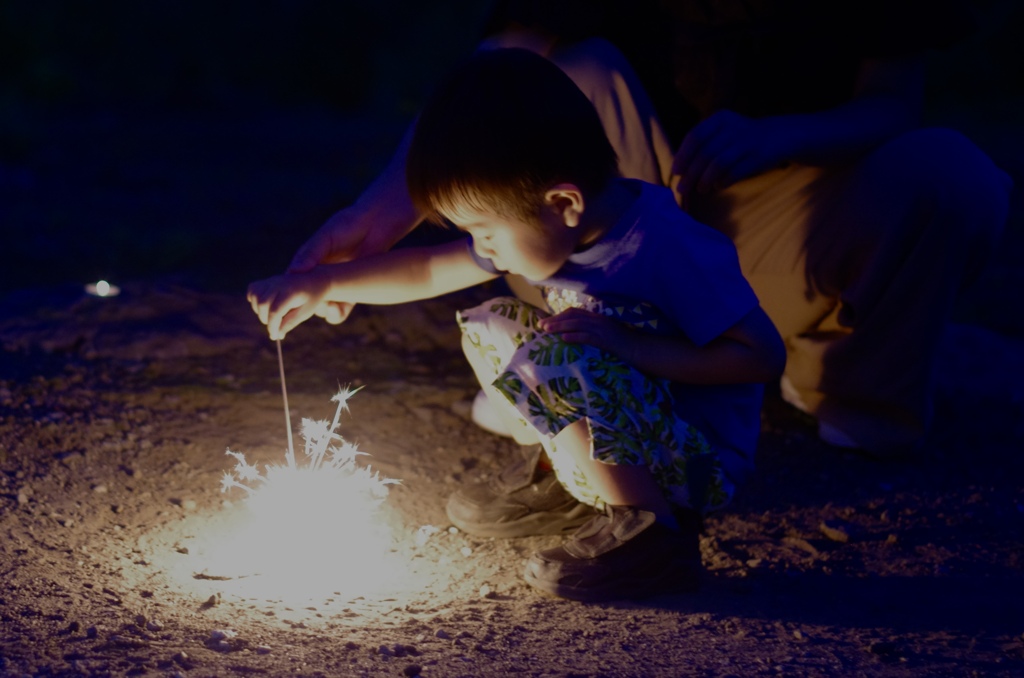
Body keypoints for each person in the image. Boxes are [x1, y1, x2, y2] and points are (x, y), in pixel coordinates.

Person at [290, 0, 1011, 458]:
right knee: (577, 68)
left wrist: (780, 135)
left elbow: (893, 103)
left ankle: (847, 393)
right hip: (628, 188)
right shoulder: (565, 202)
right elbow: (498, 78)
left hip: (788, 209)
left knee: (951, 174)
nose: (475, 238)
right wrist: (373, 221)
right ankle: (578, 374)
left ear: (564, 202)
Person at [249, 49, 786, 601]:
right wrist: (326, 285)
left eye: (485, 232)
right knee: (491, 324)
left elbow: (763, 356)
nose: (481, 248)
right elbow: (430, 268)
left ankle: (652, 536)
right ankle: (578, 484)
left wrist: (628, 345)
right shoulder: (546, 222)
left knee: (568, 355)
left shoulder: (668, 247)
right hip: (630, 418)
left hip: (697, 461)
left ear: (563, 202)